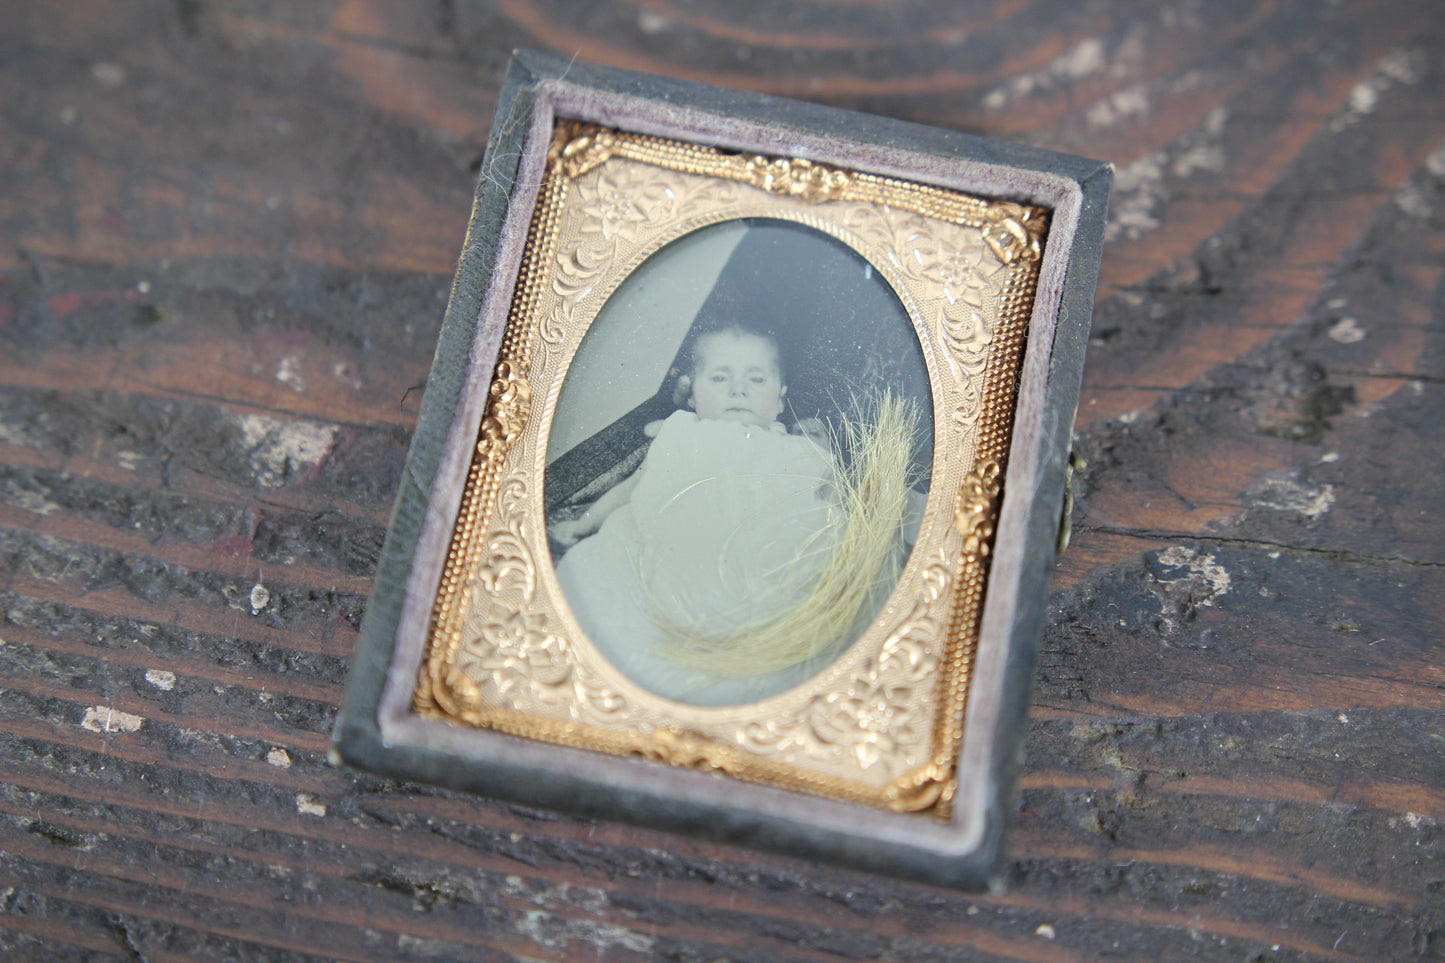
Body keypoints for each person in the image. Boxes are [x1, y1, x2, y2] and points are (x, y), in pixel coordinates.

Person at [550, 324, 848, 706]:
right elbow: (633, 486)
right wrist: (586, 522)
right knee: (606, 583)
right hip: (674, 545)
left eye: (756, 379)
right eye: (720, 378)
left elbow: (829, 503)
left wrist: (824, 456)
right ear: (692, 395)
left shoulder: (795, 449)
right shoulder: (680, 431)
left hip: (753, 558)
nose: (738, 390)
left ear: (779, 400)